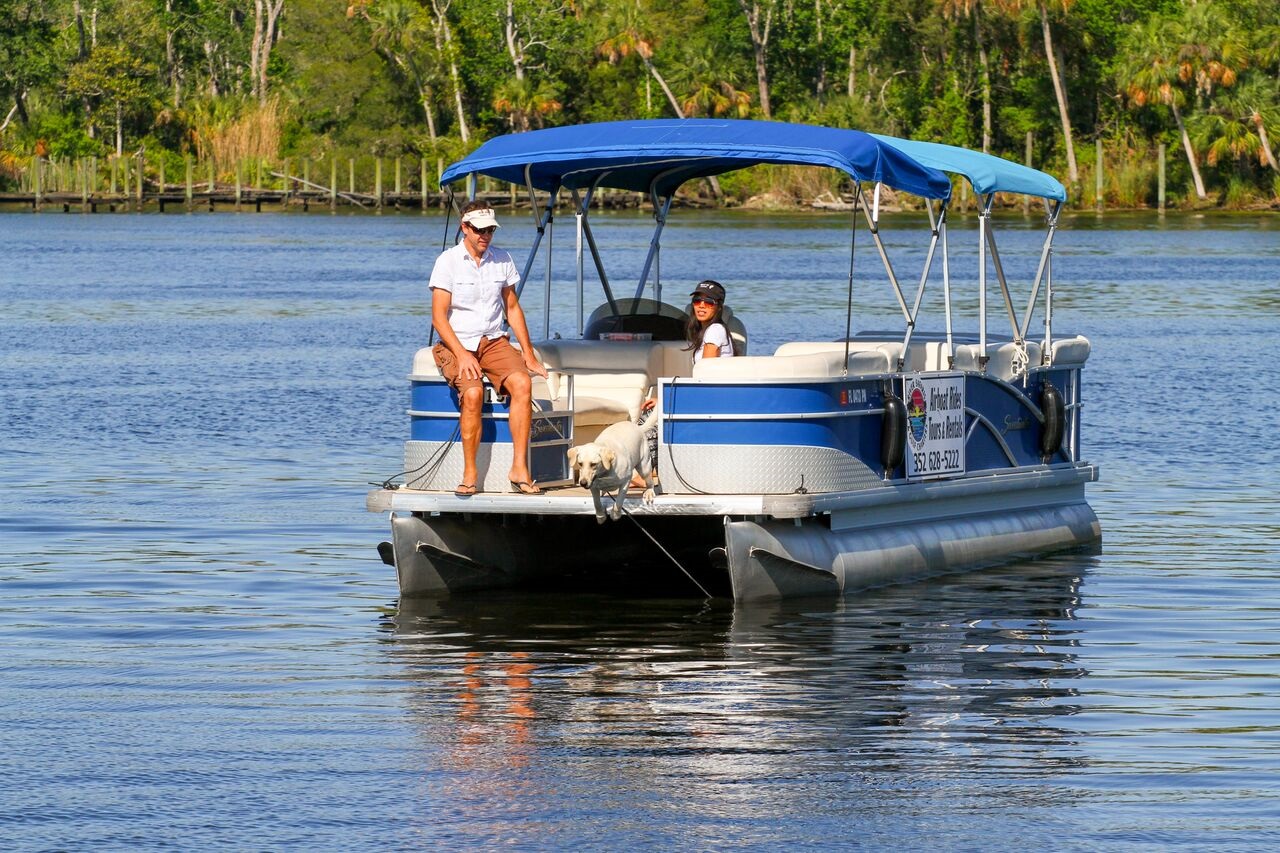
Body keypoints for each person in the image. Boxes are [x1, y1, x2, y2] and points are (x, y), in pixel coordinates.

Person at [430, 200, 548, 496]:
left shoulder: (502, 258)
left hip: (494, 340)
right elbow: (438, 317)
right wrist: (461, 354)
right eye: (480, 230)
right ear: (465, 228)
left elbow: (512, 308)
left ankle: (519, 468)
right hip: (457, 342)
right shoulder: (448, 261)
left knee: (522, 382)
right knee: (472, 393)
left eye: (490, 230)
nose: (486, 235)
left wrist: (529, 354)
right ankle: (470, 474)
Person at [632, 280, 736, 487]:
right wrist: (664, 397)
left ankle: (650, 476)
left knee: (647, 420)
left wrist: (666, 398)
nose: (702, 306)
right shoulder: (707, 332)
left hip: (711, 400)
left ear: (719, 306)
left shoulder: (715, 331)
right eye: (698, 301)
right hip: (707, 397)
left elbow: (704, 377)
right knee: (651, 412)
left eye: (709, 302)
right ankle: (654, 473)